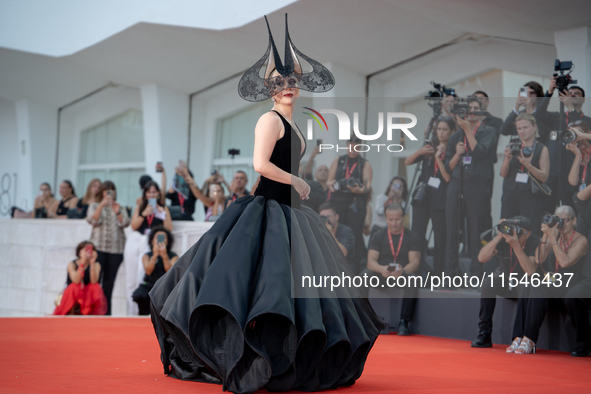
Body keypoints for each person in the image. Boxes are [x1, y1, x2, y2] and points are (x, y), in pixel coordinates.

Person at [148, 14, 383, 393]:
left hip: (292, 215)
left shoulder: (295, 124)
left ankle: (286, 356)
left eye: (292, 81)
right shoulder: (268, 120)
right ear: (270, 89)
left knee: (290, 291)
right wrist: (297, 180)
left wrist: (295, 184)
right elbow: (259, 165)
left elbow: (269, 168)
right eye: (279, 82)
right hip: (268, 211)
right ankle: (245, 355)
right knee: (258, 286)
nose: (287, 87)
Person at [513, 205, 588, 354]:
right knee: (529, 281)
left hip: (571, 288)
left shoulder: (581, 240)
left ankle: (529, 339)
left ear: (574, 220)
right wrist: (546, 236)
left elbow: (565, 261)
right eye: (557, 220)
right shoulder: (555, 237)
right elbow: (539, 259)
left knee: (537, 284)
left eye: (565, 220)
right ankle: (522, 337)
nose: (561, 224)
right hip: (555, 285)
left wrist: (552, 238)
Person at [444, 97, 497, 276]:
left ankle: (477, 272)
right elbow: (447, 167)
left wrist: (467, 130)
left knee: (476, 230)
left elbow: (480, 152)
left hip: (478, 187)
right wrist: (457, 154)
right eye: (469, 109)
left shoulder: (488, 131)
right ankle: (450, 272)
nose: (471, 112)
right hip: (457, 185)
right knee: (451, 230)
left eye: (475, 108)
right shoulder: (455, 136)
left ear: (481, 111)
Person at [470, 216, 539, 349]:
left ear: (528, 233)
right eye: (515, 230)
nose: (516, 234)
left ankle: (520, 337)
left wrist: (516, 246)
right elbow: (481, 258)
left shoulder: (534, 242)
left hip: (525, 284)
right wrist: (498, 237)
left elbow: (530, 270)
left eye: (520, 231)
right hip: (507, 281)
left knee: (525, 285)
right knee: (488, 282)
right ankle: (484, 333)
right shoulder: (505, 239)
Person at [406, 116, 453, 275]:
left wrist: (439, 158)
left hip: (440, 198)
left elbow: (447, 177)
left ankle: (440, 274)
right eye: (439, 129)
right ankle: (416, 271)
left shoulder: (452, 149)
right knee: (417, 235)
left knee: (440, 238)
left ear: (451, 131)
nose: (441, 132)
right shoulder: (430, 145)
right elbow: (407, 161)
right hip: (422, 196)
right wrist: (421, 151)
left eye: (445, 129)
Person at [366, 203, 421, 335]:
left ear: (403, 218)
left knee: (413, 279)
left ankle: (404, 321)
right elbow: (370, 261)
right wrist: (381, 269)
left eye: (397, 219)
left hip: (401, 274)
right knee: (364, 275)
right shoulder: (378, 235)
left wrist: (403, 271)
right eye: (390, 219)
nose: (394, 223)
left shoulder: (412, 236)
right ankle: (365, 318)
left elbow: (415, 262)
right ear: (386, 218)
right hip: (383, 273)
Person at [126, 181, 172, 315]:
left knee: (142, 274)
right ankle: (131, 311)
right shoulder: (140, 207)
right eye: (149, 192)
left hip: (152, 243)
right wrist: (144, 213)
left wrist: (162, 213)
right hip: (138, 240)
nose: (152, 195)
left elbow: (169, 228)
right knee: (131, 278)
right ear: (145, 194)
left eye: (154, 192)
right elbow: (133, 226)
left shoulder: (163, 208)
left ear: (158, 193)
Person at [500, 113, 550, 231]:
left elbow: (544, 177)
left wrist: (527, 164)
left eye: (525, 127)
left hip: (531, 195)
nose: (522, 131)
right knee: (508, 229)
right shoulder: (512, 146)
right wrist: (507, 159)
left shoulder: (542, 148)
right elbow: (503, 174)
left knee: (530, 230)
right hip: (510, 193)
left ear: (534, 127)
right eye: (519, 128)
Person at [328, 136, 373, 266]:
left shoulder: (364, 163)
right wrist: (332, 185)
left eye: (356, 147)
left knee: (355, 234)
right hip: (338, 202)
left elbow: (368, 185)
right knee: (338, 231)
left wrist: (360, 189)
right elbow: (329, 180)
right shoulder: (339, 160)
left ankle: (356, 266)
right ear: (347, 145)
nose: (353, 149)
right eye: (351, 146)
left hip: (355, 203)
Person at [87, 181, 130, 315]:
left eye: (111, 190)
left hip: (116, 251)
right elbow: (92, 220)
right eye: (106, 190)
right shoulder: (94, 205)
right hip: (98, 249)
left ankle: (106, 314)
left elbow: (125, 223)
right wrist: (102, 205)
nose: (109, 192)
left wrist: (117, 212)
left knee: (109, 283)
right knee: (95, 281)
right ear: (102, 192)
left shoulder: (120, 207)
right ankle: (92, 311)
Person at [132, 227, 178, 315]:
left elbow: (170, 271)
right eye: (157, 238)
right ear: (152, 241)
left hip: (165, 286)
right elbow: (148, 271)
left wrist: (164, 256)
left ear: (167, 241)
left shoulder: (173, 256)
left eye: (163, 238)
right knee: (140, 296)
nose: (160, 240)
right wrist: (154, 256)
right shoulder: (147, 255)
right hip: (149, 285)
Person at [53, 241, 107, 315]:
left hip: (87, 295)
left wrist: (92, 263)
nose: (88, 252)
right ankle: (70, 311)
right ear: (79, 252)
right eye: (85, 250)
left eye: (90, 250)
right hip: (73, 293)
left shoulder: (96, 264)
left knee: (95, 287)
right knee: (75, 286)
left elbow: (94, 282)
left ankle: (89, 312)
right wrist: (82, 264)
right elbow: (76, 280)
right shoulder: (72, 264)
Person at [319, 203, 357, 273]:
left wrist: (330, 233)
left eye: (328, 216)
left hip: (345, 270)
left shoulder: (346, 231)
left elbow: (343, 253)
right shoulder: (319, 231)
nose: (326, 219)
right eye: (323, 217)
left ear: (336, 217)